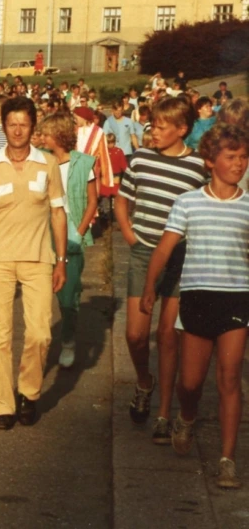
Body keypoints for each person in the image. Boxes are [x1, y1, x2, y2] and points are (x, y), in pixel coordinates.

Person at [141, 125, 249, 488]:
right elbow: (164, 247)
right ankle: (186, 416)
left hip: (236, 298)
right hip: (197, 298)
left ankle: (227, 459)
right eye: (231, 157)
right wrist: (149, 288)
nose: (239, 163)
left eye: (244, 157)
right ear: (210, 162)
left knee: (230, 377)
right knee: (190, 383)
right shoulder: (188, 201)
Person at [0, 97, 68, 430]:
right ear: (4, 126)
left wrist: (61, 260)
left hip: (39, 257)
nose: (18, 130)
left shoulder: (48, 164)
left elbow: (57, 212)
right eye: (12, 124)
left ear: (33, 127)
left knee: (40, 334)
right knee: (1, 335)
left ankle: (29, 391)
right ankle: (3, 406)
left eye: (24, 124)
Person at [116, 97, 208, 444]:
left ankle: (165, 413)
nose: (152, 131)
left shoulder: (198, 166)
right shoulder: (140, 158)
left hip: (181, 258)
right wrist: (128, 233)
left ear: (182, 129)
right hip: (143, 253)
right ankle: (144, 382)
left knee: (168, 337)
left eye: (160, 126)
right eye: (151, 125)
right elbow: (124, 197)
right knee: (136, 335)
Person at [40, 113, 97, 369]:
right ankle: (41, 343)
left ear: (59, 136)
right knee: (41, 292)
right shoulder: (41, 160)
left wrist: (80, 230)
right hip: (42, 231)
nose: (42, 138)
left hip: (72, 231)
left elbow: (92, 200)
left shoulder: (84, 163)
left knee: (67, 294)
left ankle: (68, 340)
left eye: (47, 134)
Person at [100, 133, 128, 226]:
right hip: (105, 177)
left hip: (116, 177)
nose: (110, 144)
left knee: (115, 199)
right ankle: (107, 219)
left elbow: (123, 165)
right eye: (108, 142)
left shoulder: (118, 151)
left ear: (114, 142)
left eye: (111, 142)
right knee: (105, 199)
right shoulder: (102, 152)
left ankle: (115, 218)